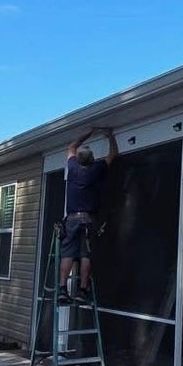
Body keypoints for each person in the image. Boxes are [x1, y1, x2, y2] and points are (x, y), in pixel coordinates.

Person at [60, 126, 117, 304]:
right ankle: (83, 290)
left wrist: (88, 133)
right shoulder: (97, 169)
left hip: (72, 218)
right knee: (86, 254)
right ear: (92, 160)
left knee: (68, 252)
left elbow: (71, 147)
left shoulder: (73, 167)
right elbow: (113, 155)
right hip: (89, 218)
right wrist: (110, 136)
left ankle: (62, 289)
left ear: (78, 159)